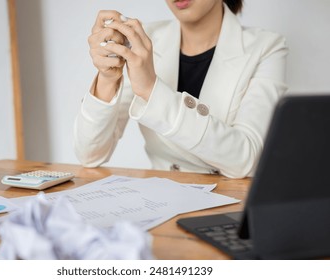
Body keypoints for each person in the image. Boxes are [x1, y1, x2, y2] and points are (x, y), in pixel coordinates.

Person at [74, 0, 288, 178]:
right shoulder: (146, 39)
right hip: (160, 202)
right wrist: (108, 76)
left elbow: (246, 159)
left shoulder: (266, 47)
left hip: (230, 206)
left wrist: (151, 89)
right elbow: (90, 155)